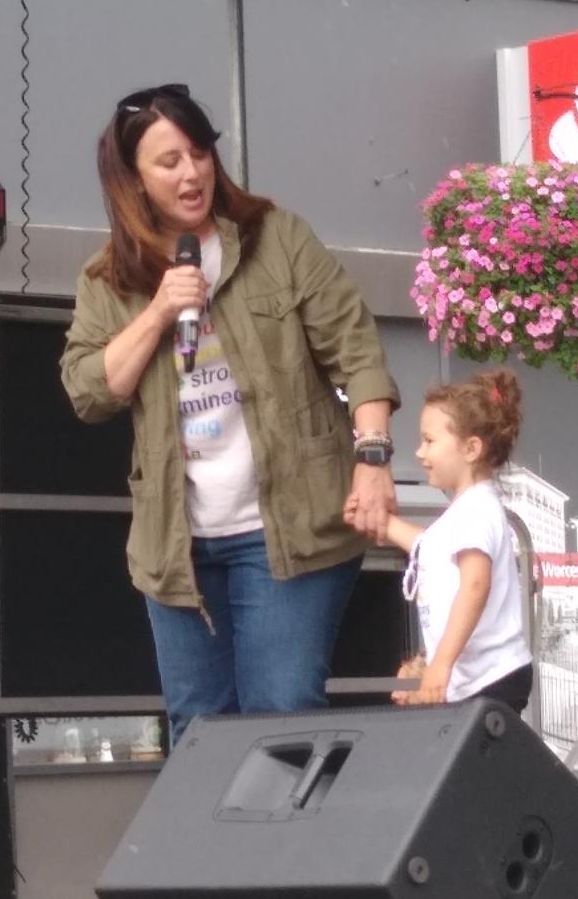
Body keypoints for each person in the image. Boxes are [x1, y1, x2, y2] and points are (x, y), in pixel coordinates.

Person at [60, 83, 400, 742]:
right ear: (133, 180)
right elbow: (89, 391)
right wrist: (161, 309)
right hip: (179, 547)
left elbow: (355, 348)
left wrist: (374, 457)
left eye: (199, 152)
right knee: (198, 732)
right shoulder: (108, 280)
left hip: (290, 531)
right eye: (169, 162)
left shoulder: (277, 238)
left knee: (281, 714)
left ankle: (291, 848)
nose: (191, 173)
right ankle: (214, 850)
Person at [345, 369, 532, 714]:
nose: (419, 452)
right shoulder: (462, 513)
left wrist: (441, 664)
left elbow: (475, 584)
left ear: (471, 448)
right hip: (476, 679)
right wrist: (378, 522)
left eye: (429, 441)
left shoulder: (476, 510)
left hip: (490, 679)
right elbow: (426, 545)